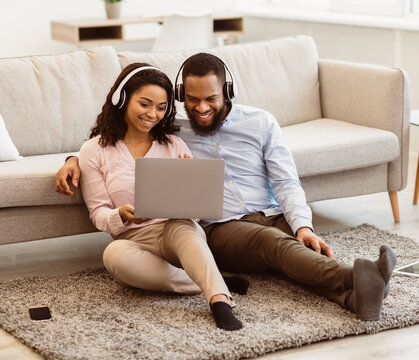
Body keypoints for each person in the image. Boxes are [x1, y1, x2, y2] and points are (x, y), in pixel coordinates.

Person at [56, 54, 397, 321]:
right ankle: (355, 275)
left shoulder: (260, 122)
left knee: (301, 251)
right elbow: (122, 131)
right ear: (181, 97)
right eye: (191, 99)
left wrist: (303, 225)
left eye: (210, 99)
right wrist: (75, 158)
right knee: (274, 244)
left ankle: (354, 297)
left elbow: (285, 180)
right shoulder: (173, 126)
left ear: (227, 92)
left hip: (271, 212)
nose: (201, 108)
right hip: (222, 225)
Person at [71, 62, 245, 331]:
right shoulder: (94, 150)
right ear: (122, 99)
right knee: (113, 255)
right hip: (134, 241)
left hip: (178, 234)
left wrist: (190, 192)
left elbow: (196, 213)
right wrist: (121, 215)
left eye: (161, 107)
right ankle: (206, 279)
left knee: (184, 226)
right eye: (145, 104)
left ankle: (219, 300)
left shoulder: (173, 144)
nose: (153, 114)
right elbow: (98, 212)